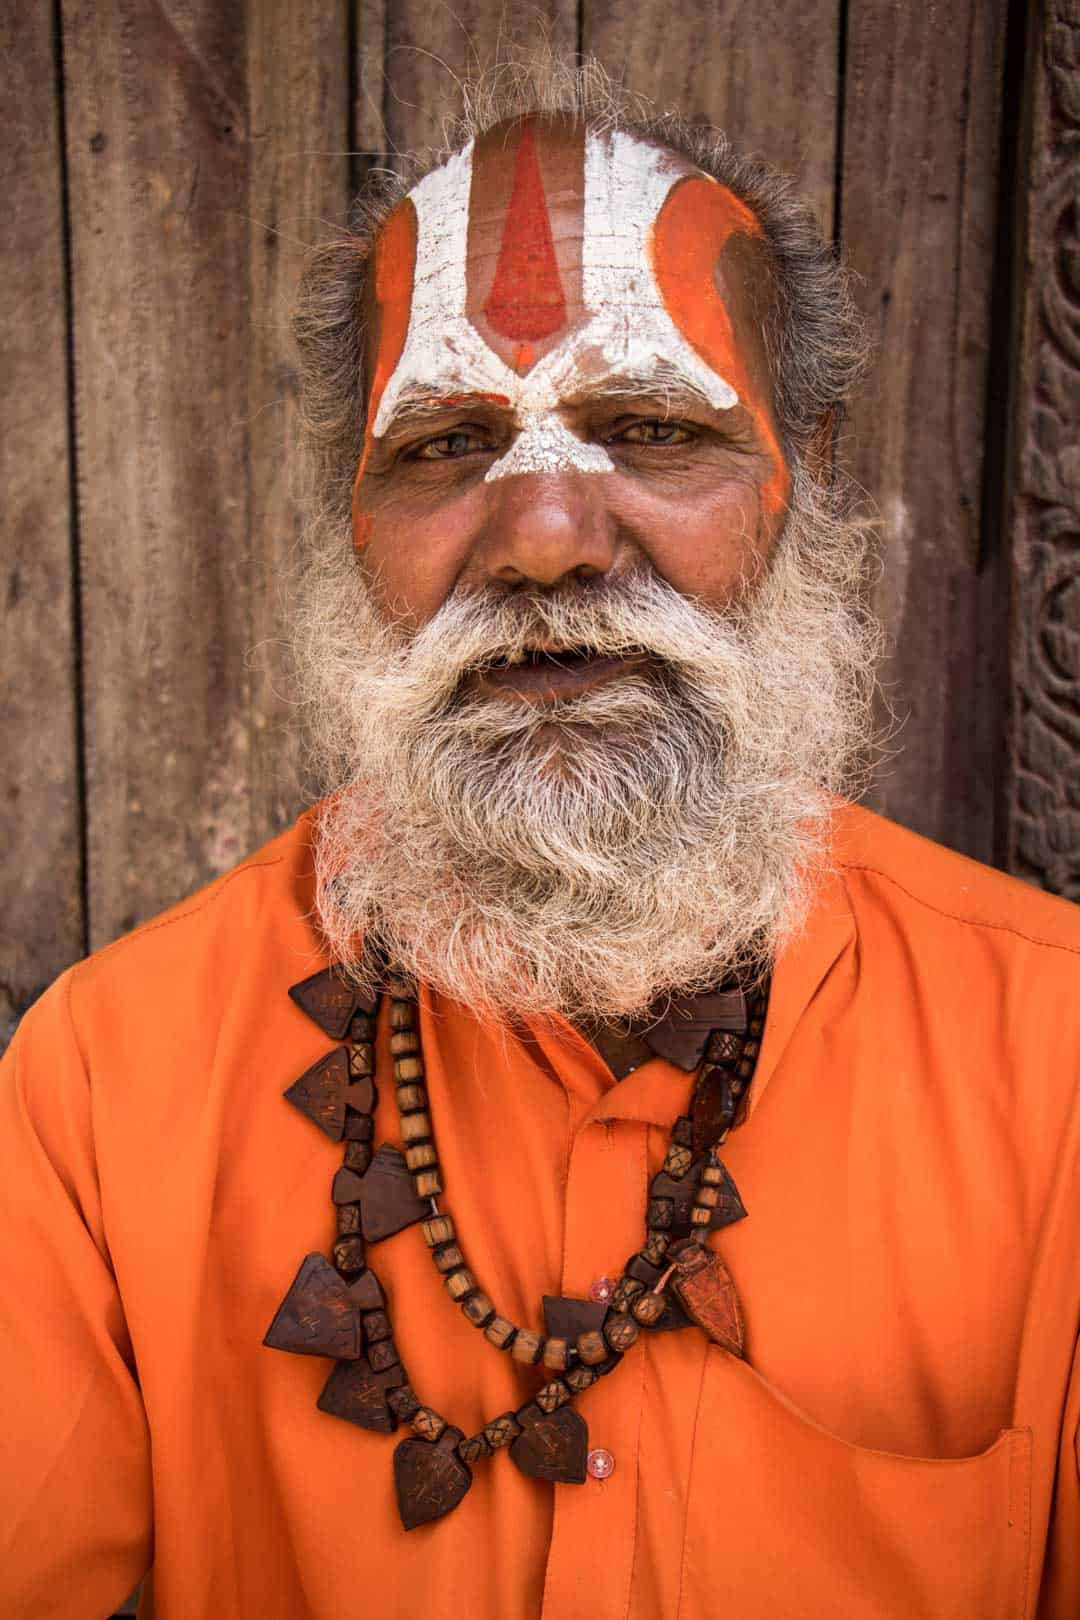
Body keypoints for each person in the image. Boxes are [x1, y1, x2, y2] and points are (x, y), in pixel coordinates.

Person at [3, 57, 1079, 1620]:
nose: (546, 537)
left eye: (646, 426)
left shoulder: (1054, 1060)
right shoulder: (106, 1088)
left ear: (809, 478)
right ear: (349, 514)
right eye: (446, 446)